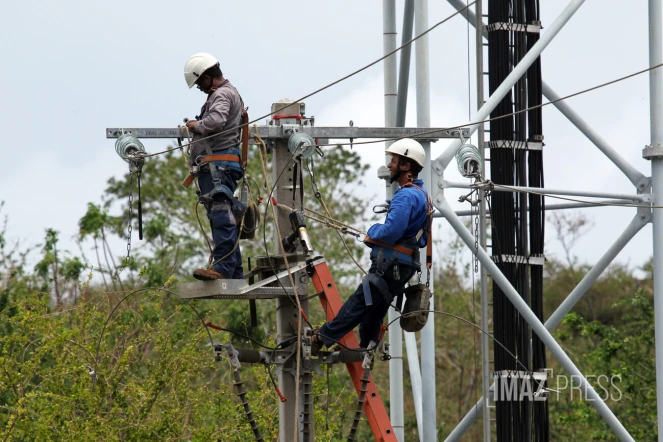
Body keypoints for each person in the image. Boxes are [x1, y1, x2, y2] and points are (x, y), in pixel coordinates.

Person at [312, 138, 432, 353]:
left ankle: (322, 337)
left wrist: (373, 230)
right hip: (403, 267)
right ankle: (367, 347)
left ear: (406, 166)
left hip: (390, 264)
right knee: (375, 306)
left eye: (394, 161)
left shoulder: (405, 195)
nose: (389, 165)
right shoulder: (422, 195)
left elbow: (392, 231)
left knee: (361, 301)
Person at [183, 53, 245, 281]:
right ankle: (234, 270)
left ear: (208, 77)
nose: (199, 87)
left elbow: (216, 121)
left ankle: (224, 268)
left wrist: (196, 125)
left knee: (221, 215)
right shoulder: (226, 93)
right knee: (223, 214)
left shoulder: (222, 94)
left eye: (200, 82)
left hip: (218, 166)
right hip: (218, 165)